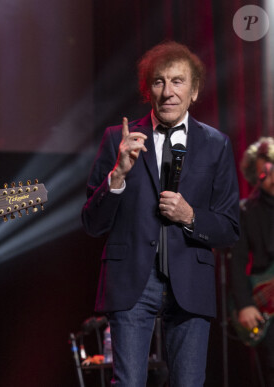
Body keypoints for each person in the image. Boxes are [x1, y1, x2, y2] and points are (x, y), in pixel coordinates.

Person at [81, 41, 239, 386]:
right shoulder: (117, 140)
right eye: (159, 81)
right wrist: (118, 176)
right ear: (147, 90)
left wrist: (189, 215)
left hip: (190, 283)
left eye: (178, 81)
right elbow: (92, 223)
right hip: (131, 281)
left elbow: (229, 227)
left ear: (194, 90)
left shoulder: (216, 144)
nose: (168, 92)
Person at [230, 137, 274, 386]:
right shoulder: (245, 211)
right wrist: (245, 304)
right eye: (263, 173)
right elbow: (236, 262)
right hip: (265, 304)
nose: (271, 178)